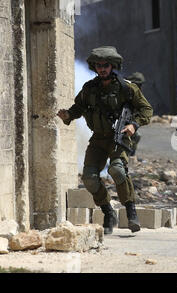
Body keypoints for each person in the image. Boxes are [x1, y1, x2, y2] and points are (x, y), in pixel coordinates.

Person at [57, 46, 153, 234]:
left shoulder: (127, 88)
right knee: (89, 178)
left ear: (112, 66)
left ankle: (131, 210)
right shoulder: (89, 89)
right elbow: (78, 108)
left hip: (119, 138)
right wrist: (67, 115)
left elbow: (146, 110)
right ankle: (108, 212)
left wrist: (134, 125)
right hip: (98, 139)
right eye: (99, 65)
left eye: (106, 65)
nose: (102, 69)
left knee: (117, 170)